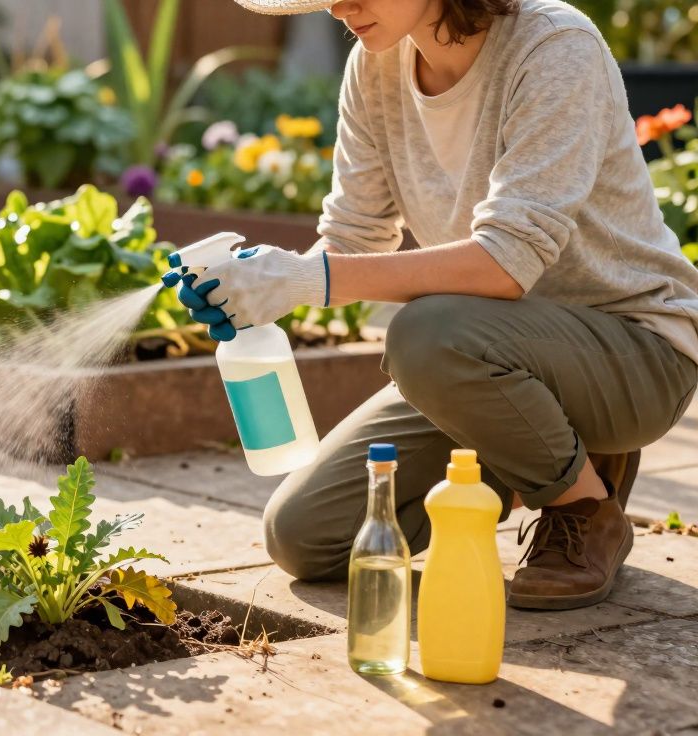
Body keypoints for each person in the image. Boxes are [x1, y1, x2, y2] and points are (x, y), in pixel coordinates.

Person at [173, 0, 698, 610]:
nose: (340, 8)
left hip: (634, 350)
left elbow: (506, 263)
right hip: (488, 354)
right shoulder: (374, 67)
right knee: (304, 536)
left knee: (424, 334)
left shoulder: (554, 45)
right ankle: (538, 444)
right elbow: (353, 237)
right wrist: (259, 279)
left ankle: (583, 506)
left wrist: (307, 279)